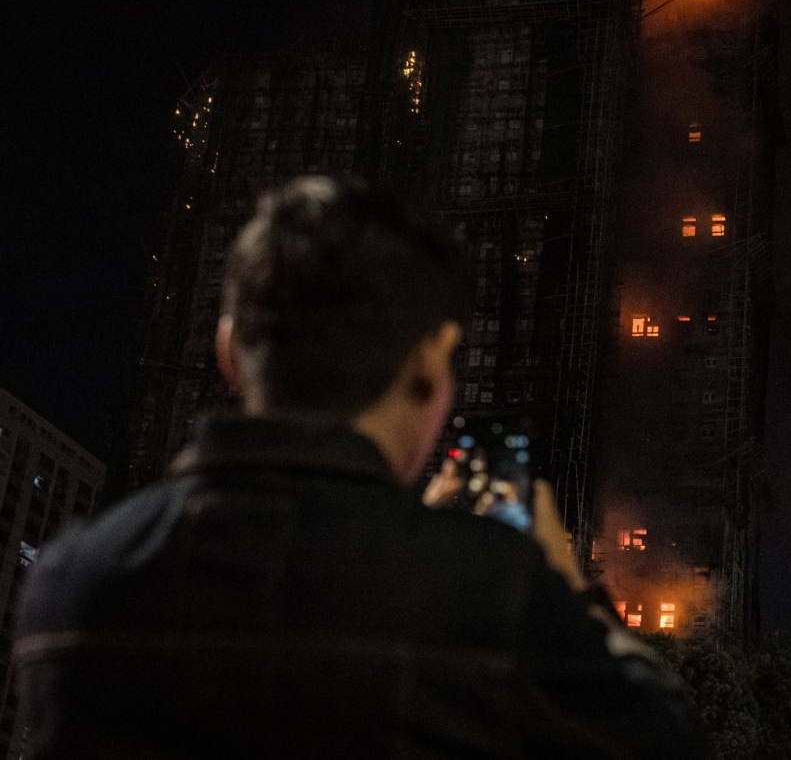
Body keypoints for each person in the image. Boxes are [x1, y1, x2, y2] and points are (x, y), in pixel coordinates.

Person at [14, 177, 706, 759]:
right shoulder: (492, 589)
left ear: (229, 353)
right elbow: (666, 735)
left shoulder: (70, 582)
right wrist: (562, 574)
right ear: (429, 366)